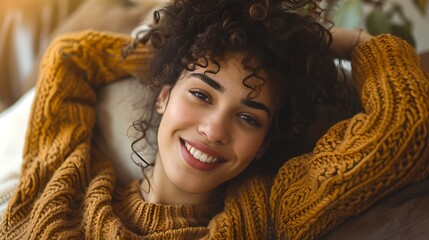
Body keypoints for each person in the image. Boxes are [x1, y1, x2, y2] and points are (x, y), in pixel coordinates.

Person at [1, 0, 428, 239]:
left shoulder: (267, 213)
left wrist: (352, 43)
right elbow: (70, 57)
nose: (214, 130)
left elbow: (406, 127)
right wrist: (179, 51)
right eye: (201, 94)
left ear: (263, 141)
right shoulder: (70, 177)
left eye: (248, 116)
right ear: (163, 97)